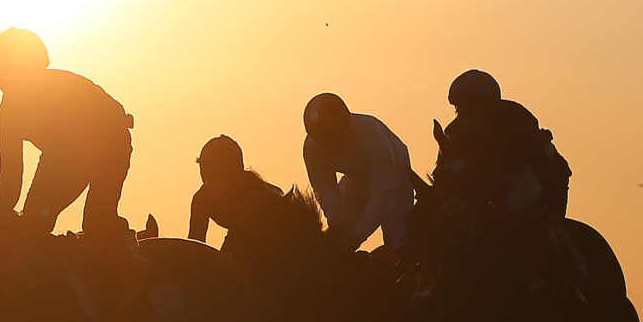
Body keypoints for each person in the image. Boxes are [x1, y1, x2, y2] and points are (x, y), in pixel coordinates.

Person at [0, 28, 133, 237]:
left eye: (3, 73)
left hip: (111, 144)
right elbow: (11, 171)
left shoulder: (66, 88)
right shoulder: (7, 116)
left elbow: (76, 154)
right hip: (62, 155)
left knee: (98, 222)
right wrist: (1, 214)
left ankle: (123, 257)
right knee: (32, 224)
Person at [437, 70, 570, 218]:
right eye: (462, 111)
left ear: (491, 110)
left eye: (474, 112)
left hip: (537, 173)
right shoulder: (453, 134)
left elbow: (507, 175)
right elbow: (445, 175)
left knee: (515, 207)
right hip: (495, 175)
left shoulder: (517, 125)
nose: (468, 120)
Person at [301, 93, 415, 250]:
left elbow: (382, 196)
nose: (326, 146)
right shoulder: (312, 147)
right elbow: (324, 188)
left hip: (396, 176)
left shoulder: (373, 139)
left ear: (345, 127)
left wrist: (359, 235)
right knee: (340, 234)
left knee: (397, 239)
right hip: (356, 178)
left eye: (330, 138)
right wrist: (334, 219)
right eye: (321, 140)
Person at [188, 135, 284, 243]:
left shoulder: (257, 194)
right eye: (204, 168)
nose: (206, 175)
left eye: (216, 170)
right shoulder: (202, 199)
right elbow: (195, 245)